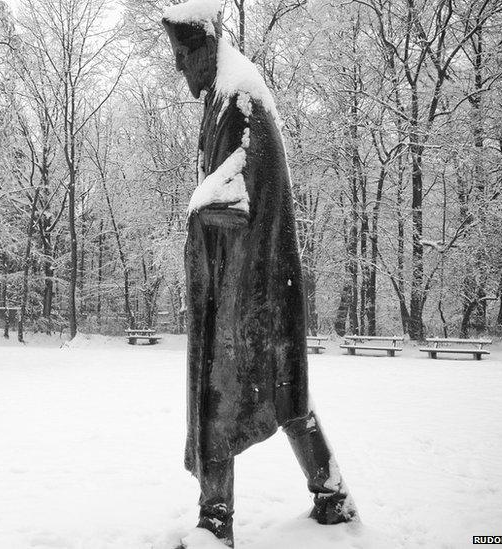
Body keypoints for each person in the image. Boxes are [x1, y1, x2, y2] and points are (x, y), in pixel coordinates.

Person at [161, 2, 358, 546]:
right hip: (252, 288)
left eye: (181, 56)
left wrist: (198, 209)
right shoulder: (227, 99)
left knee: (224, 398)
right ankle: (332, 494)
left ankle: (215, 522)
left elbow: (237, 198)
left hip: (253, 293)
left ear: (204, 49)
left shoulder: (242, 103)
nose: (179, 68)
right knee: (285, 393)